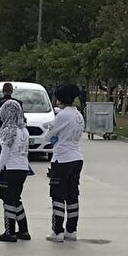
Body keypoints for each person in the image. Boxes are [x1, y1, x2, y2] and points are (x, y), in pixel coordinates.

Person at [42, 83, 85, 242]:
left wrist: (52, 136)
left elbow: (49, 135)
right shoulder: (78, 115)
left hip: (62, 158)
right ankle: (71, 230)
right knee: (72, 195)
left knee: (57, 195)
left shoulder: (62, 115)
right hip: (76, 157)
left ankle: (57, 231)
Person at [0, 99, 32, 242]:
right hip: (23, 168)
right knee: (17, 199)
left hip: (10, 168)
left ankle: (9, 232)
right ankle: (23, 230)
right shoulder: (24, 130)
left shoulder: (8, 131)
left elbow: (4, 153)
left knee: (8, 200)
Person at [0, 83, 21, 171]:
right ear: (12, 91)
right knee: (11, 153)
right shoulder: (18, 103)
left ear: (3, 91)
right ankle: (8, 170)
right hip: (14, 132)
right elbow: (21, 118)